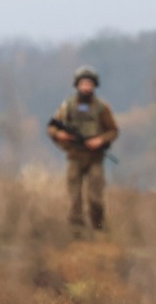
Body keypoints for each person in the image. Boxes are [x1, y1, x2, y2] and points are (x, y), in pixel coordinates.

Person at [46, 66, 118, 233]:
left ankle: (99, 229)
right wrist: (60, 134)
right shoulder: (68, 106)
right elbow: (52, 126)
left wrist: (100, 140)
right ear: (77, 85)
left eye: (89, 84)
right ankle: (77, 236)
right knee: (74, 201)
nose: (86, 87)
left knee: (96, 200)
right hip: (74, 156)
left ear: (94, 86)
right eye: (83, 84)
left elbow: (113, 130)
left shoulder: (101, 107)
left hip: (95, 158)